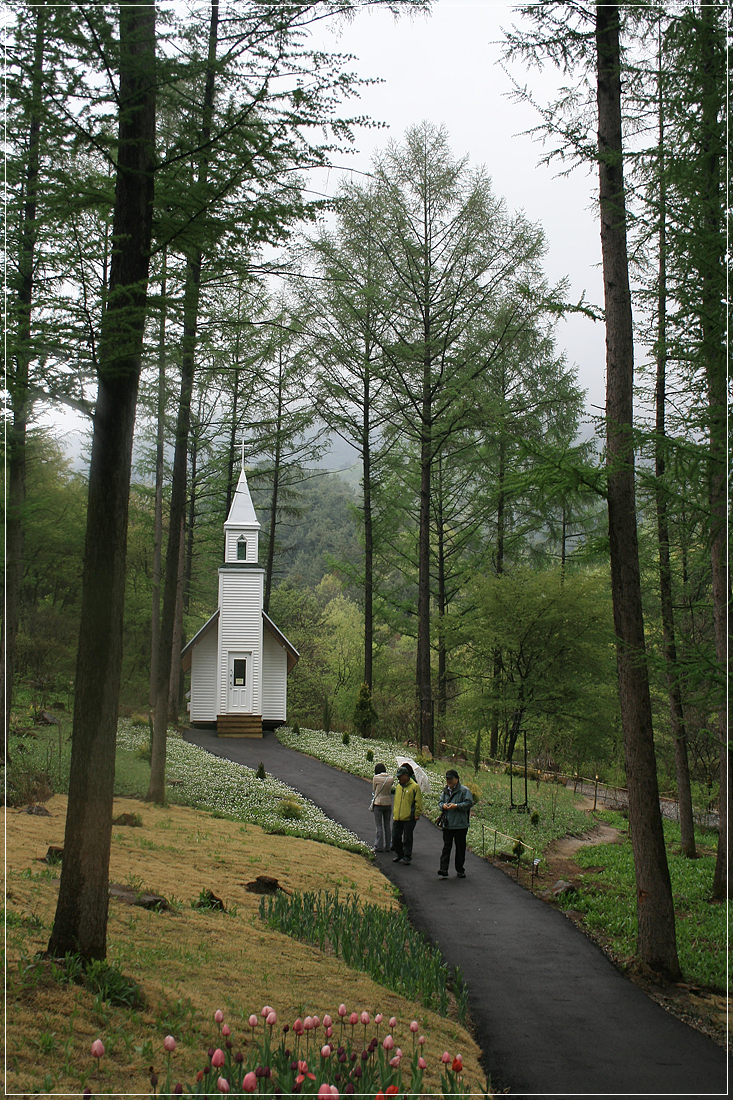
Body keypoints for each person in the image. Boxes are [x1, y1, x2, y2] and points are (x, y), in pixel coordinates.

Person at [437, 769, 473, 879]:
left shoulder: (464, 791)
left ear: (456, 779)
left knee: (460, 848)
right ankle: (443, 869)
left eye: (450, 779)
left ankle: (460, 869)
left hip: (460, 825)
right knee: (446, 847)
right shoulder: (445, 791)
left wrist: (456, 806)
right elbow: (440, 802)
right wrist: (443, 806)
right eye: (447, 779)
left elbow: (469, 803)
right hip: (448, 824)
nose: (449, 781)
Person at [391, 765, 423, 865]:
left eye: (400, 777)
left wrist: (417, 814)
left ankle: (407, 856)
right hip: (398, 816)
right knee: (395, 836)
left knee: (407, 838)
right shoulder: (399, 787)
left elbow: (418, 802)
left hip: (409, 817)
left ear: (406, 776)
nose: (398, 779)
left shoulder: (414, 787)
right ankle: (400, 853)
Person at [371, 763, 394, 852]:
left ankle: (378, 846)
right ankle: (388, 846)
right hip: (388, 803)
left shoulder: (376, 778)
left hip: (378, 803)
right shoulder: (390, 779)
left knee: (379, 826)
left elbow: (374, 789)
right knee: (387, 825)